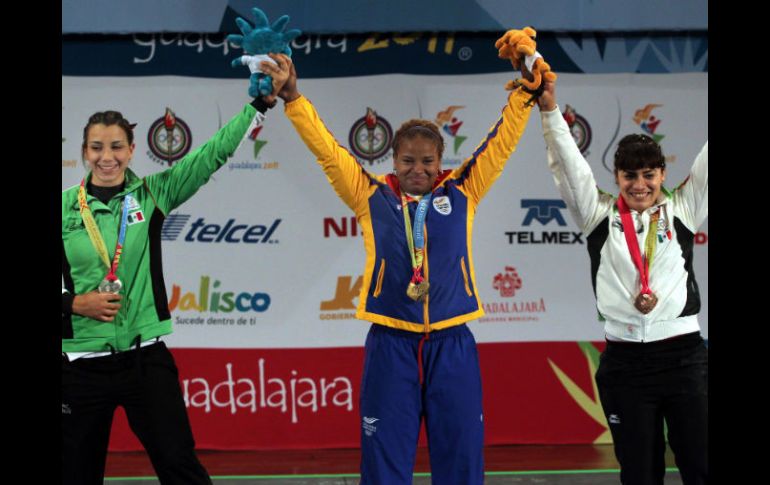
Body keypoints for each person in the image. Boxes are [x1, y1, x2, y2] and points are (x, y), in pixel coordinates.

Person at [262, 52, 537, 484]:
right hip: (391, 344)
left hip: (453, 343)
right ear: (393, 160)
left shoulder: (464, 190)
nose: (418, 169)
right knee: (385, 463)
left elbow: (499, 144)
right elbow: (328, 152)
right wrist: (294, 99)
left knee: (461, 461)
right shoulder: (370, 197)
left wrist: (524, 93)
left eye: (428, 161)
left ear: (440, 161)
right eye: (408, 160)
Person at [61, 81, 280, 483]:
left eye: (115, 147)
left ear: (130, 150)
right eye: (96, 147)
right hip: (80, 367)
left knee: (181, 468)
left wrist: (260, 104)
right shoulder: (62, 209)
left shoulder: (152, 194)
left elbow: (211, 155)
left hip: (145, 359)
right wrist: (73, 304)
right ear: (83, 152)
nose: (106, 157)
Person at [536, 80, 708, 485]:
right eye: (630, 175)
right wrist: (548, 110)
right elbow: (568, 165)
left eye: (649, 174)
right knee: (639, 475)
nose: (640, 184)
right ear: (616, 176)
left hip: (685, 359)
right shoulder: (598, 215)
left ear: (663, 174)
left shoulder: (682, 208)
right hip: (626, 363)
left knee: (701, 469)